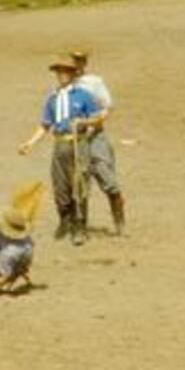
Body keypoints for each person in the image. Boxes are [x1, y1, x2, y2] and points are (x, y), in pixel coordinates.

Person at [18, 58, 103, 246]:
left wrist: (83, 123)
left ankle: (80, 226)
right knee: (60, 187)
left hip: (78, 144)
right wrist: (29, 143)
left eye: (66, 72)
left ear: (73, 74)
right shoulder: (53, 98)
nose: (62, 75)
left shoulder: (83, 96)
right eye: (59, 72)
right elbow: (45, 125)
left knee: (79, 185)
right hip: (60, 145)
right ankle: (65, 221)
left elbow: (97, 118)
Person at [70, 50, 125, 236]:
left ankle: (120, 224)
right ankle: (81, 227)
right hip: (76, 140)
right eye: (73, 61)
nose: (76, 65)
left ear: (84, 63)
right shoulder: (65, 87)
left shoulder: (94, 82)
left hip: (95, 137)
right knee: (80, 185)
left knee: (109, 181)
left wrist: (93, 124)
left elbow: (107, 108)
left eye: (79, 61)